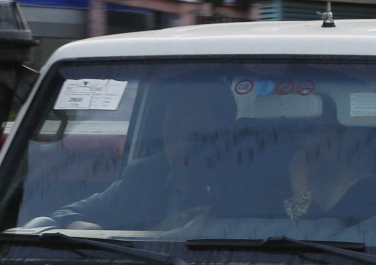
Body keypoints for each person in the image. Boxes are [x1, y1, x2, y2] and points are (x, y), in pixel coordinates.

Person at [27, 94, 228, 231]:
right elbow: (65, 214)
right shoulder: (143, 176)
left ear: (221, 135)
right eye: (172, 129)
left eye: (195, 131)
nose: (181, 141)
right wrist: (79, 226)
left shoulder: (239, 186)